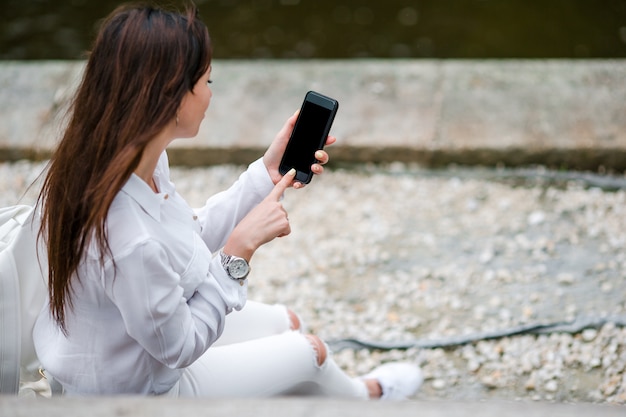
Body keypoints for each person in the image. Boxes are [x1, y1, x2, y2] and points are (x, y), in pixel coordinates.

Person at [33, 2, 422, 399]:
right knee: (312, 354)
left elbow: (185, 238)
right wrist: (237, 253)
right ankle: (370, 398)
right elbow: (179, 346)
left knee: (287, 322)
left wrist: (264, 173)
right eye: (207, 82)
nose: (210, 94)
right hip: (137, 390)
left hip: (128, 348)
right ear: (171, 96)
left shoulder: (113, 162)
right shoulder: (129, 236)